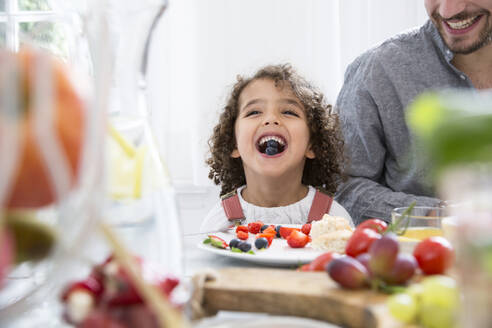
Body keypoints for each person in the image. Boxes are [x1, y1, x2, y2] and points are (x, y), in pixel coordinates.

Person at [334, 0, 492, 224]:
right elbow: (344, 188)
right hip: (421, 254)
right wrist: (434, 216)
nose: (449, 10)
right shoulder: (379, 69)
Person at [200, 64, 352, 233]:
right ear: (233, 143)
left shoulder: (333, 220)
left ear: (312, 145)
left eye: (289, 112)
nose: (271, 118)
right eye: (254, 112)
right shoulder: (219, 223)